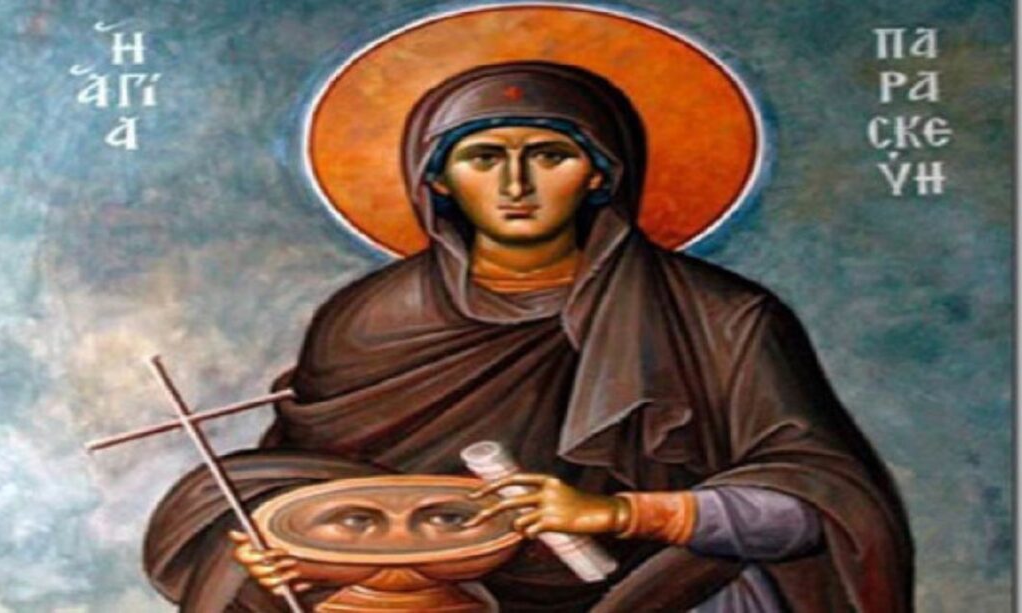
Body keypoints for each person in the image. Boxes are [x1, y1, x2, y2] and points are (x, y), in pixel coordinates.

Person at [144, 61, 913, 612]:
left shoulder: (721, 316)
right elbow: (306, 485)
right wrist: (284, 545)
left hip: (663, 591)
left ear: (600, 174)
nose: (516, 185)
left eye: (549, 154)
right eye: (484, 157)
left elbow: (818, 505)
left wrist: (621, 514)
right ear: (438, 179)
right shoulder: (372, 315)